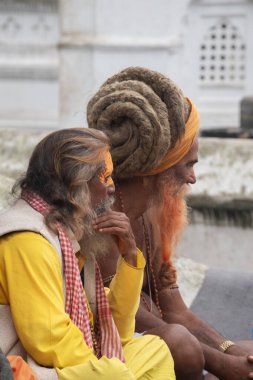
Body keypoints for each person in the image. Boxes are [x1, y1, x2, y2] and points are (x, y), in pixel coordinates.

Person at [87, 66, 253, 380]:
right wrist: (218, 363)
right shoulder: (102, 217)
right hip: (109, 346)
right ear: (160, 167)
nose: (192, 178)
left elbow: (174, 308)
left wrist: (229, 348)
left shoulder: (156, 215)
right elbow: (126, 316)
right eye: (188, 165)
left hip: (161, 340)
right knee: (181, 345)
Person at [0, 128, 175, 380]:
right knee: (113, 374)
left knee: (154, 351)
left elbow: (118, 331)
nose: (112, 188)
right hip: (26, 369)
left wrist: (128, 256)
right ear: (77, 183)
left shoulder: (65, 233)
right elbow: (48, 341)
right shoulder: (28, 238)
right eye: (105, 178)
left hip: (63, 362)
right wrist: (102, 367)